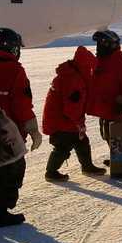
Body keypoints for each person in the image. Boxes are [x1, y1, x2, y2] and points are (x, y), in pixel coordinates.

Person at [0, 27, 41, 228]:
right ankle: (0, 213)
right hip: (6, 137)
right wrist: (33, 130)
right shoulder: (15, 71)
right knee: (12, 171)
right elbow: (22, 105)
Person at [42, 45, 107, 181]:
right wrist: (78, 122)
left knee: (82, 141)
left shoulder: (73, 75)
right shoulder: (74, 81)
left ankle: (87, 166)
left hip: (62, 118)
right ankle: (51, 172)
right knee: (63, 145)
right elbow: (72, 107)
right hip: (62, 120)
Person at [86, 29, 122, 144]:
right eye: (98, 44)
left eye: (101, 44)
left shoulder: (120, 62)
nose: (98, 47)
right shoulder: (101, 60)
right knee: (106, 135)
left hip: (114, 110)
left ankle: (121, 160)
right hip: (104, 109)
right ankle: (115, 158)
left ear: (109, 45)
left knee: (115, 137)